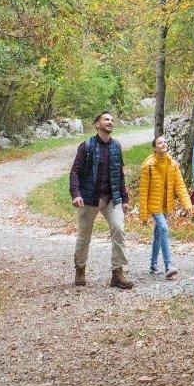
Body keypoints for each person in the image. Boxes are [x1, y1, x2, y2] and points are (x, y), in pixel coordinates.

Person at [68, 111, 131, 289]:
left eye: (111, 120)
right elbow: (75, 172)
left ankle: (117, 274)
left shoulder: (116, 146)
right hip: (89, 198)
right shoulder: (86, 146)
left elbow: (119, 173)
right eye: (106, 119)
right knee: (84, 236)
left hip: (111, 198)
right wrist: (76, 194)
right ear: (97, 124)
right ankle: (80, 269)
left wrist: (124, 198)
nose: (110, 122)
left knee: (119, 229)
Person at [132, 134, 194, 280]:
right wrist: (143, 213)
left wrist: (187, 205)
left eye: (165, 142)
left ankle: (153, 265)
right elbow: (143, 191)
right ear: (155, 148)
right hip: (154, 205)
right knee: (164, 229)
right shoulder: (149, 165)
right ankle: (169, 266)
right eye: (160, 142)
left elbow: (180, 186)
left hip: (166, 204)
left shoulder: (172, 164)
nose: (163, 144)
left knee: (158, 233)